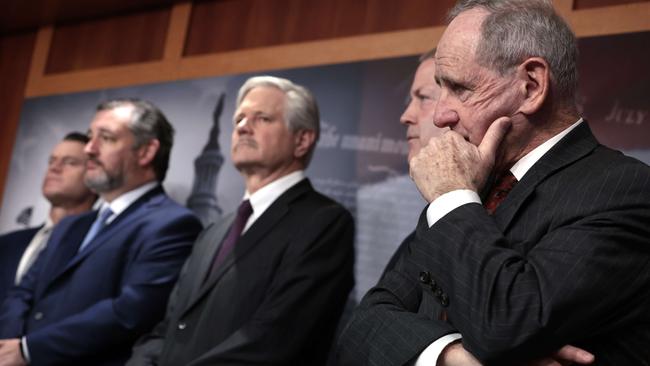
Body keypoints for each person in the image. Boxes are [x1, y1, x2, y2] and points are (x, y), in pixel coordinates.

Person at [339, 0, 650, 365]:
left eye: (460, 88)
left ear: (531, 86)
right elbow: (362, 327)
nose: (440, 115)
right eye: (439, 89)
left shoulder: (624, 189)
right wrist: (451, 356)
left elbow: (508, 325)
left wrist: (453, 195)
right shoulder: (468, 186)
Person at [126, 76, 354, 366]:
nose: (243, 127)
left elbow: (275, 339)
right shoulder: (213, 232)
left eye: (262, 118)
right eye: (239, 120)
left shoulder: (325, 223)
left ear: (302, 140)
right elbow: (170, 327)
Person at [0, 99, 203, 365]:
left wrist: (29, 350)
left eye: (105, 138)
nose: (89, 149)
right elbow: (22, 292)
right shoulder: (72, 225)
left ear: (146, 152)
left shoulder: (173, 225)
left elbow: (129, 312)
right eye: (89, 137)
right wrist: (10, 347)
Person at [0, 132, 97, 302]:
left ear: (95, 176)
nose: (54, 168)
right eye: (52, 161)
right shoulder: (6, 244)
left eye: (70, 162)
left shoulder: (100, 245)